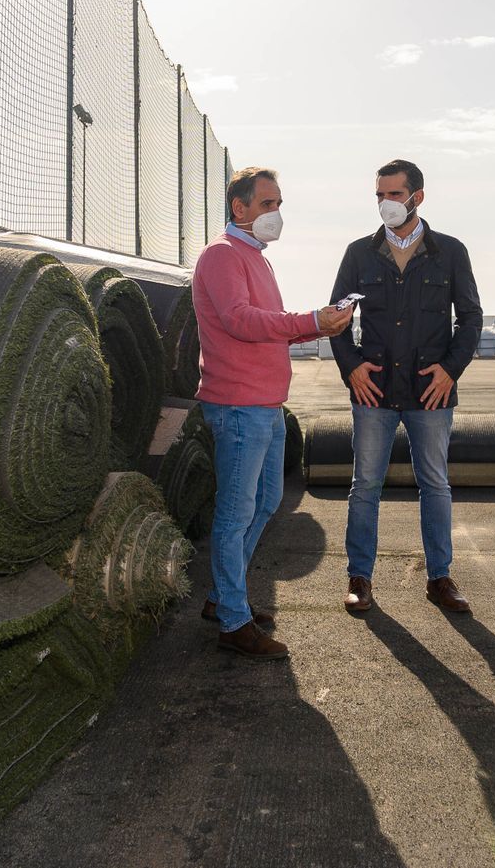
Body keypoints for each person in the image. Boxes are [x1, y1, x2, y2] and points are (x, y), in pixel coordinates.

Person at [191, 167, 352, 660]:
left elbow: (268, 326)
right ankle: (233, 622)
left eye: (279, 204)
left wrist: (319, 327)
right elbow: (241, 321)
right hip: (239, 406)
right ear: (239, 208)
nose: (275, 214)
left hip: (263, 405)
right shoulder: (222, 255)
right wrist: (308, 321)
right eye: (267, 204)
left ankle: (225, 597)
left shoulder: (255, 258)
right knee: (236, 513)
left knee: (264, 503)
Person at [329, 159, 483, 616]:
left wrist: (450, 370)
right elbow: (337, 317)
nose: (386, 203)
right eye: (380, 194)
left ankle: (440, 578)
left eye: (395, 194)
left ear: (418, 196)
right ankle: (359, 578)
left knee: (435, 484)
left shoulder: (450, 252)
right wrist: (351, 368)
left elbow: (471, 317)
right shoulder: (359, 253)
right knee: (365, 485)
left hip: (429, 390)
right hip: (373, 388)